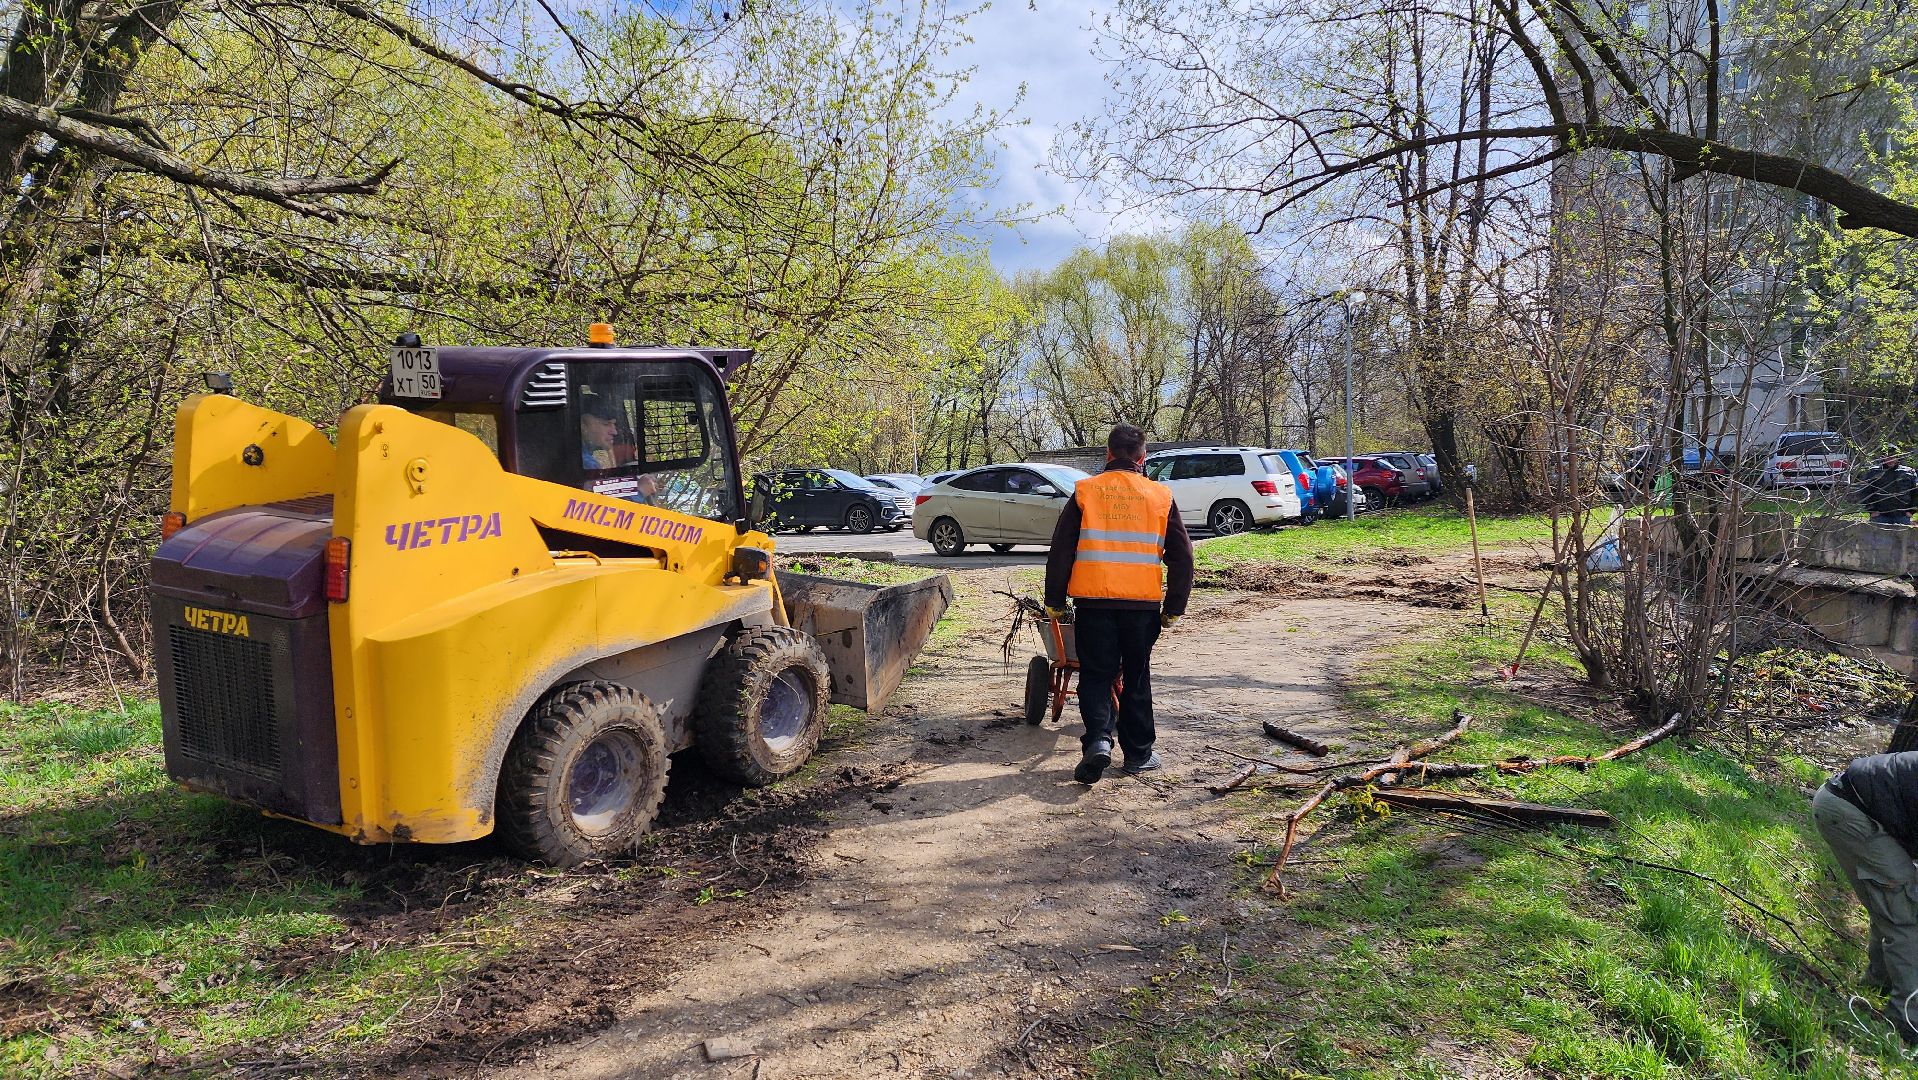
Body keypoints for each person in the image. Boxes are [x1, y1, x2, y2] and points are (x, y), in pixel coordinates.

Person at [1043, 424, 1195, 784]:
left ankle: (1098, 741)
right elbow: (1182, 556)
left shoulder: (1085, 492)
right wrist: (1174, 606)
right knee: (1137, 676)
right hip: (1141, 606)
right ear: (1143, 459)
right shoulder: (1160, 496)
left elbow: (1061, 551)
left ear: (1108, 454)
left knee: (1097, 675)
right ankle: (1139, 755)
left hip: (1094, 603)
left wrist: (1055, 601)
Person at [1813, 753, 1918, 1042]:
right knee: (1906, 914)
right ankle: (1907, 1023)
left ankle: (1880, 982)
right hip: (1849, 810)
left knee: (1893, 900)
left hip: (1850, 802)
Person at [1856, 446, 1918, 526]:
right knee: (1875, 538)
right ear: (1883, 457)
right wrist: (1871, 510)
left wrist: (1911, 511)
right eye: (1888, 457)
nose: (1890, 460)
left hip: (1902, 516)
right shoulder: (1874, 472)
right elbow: (1865, 491)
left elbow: (1916, 493)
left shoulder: (1909, 472)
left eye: (1893, 457)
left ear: (1898, 457)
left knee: (1902, 538)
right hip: (1880, 516)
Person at [581, 398, 621, 470]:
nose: (615, 432)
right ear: (583, 426)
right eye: (605, 424)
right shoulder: (587, 464)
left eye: (614, 425)